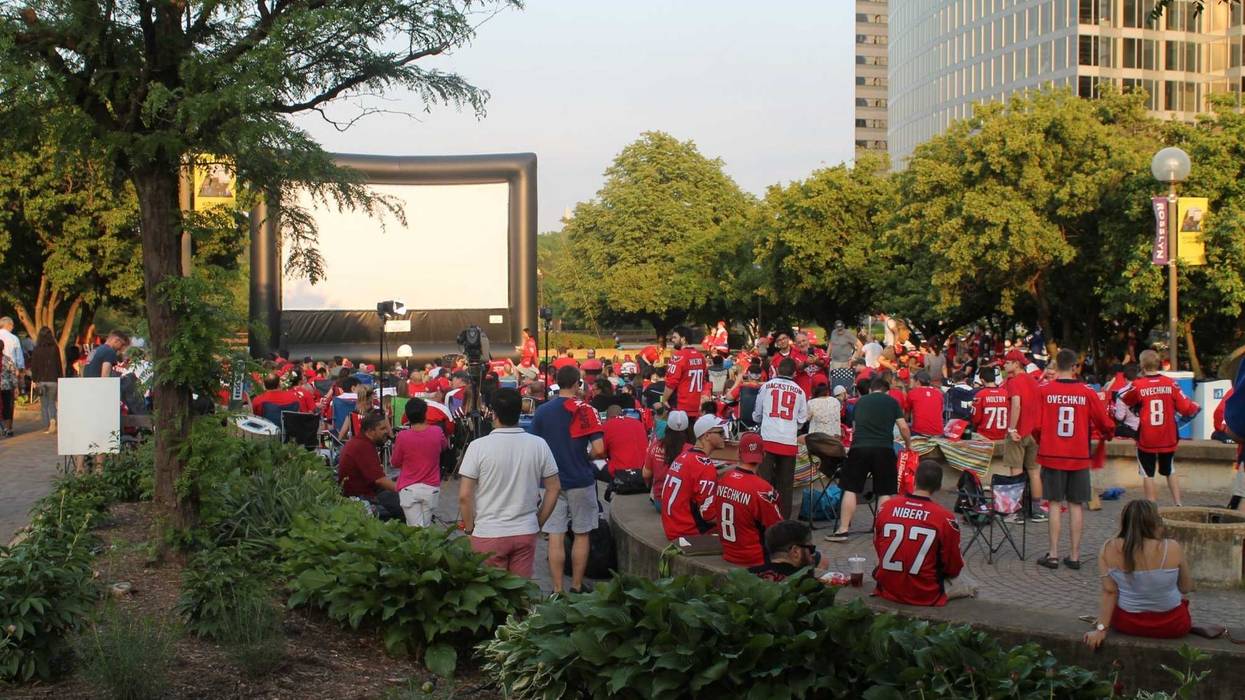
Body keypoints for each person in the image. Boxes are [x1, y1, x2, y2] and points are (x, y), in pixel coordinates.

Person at [459, 388, 561, 578]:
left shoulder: (477, 447)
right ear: (520, 412)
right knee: (520, 593)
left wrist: (469, 529)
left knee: (492, 596)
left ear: (493, 413)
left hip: (488, 532)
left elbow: (465, 496)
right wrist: (538, 521)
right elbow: (554, 488)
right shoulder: (539, 444)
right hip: (525, 531)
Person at [1036, 348, 1114, 570]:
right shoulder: (1086, 391)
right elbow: (1104, 421)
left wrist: (1043, 439)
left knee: (1053, 503)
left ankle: (1052, 554)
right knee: (1076, 504)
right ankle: (1075, 556)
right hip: (1078, 455)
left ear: (1056, 366)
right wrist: (1108, 433)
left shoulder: (1045, 390)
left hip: (1052, 454)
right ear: (1074, 367)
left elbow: (1035, 425)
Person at [531, 365, 605, 595]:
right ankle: (576, 585)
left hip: (550, 480)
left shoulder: (542, 411)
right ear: (577, 384)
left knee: (555, 534)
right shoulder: (587, 410)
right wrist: (587, 456)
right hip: (580, 478)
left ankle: (556, 589)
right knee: (582, 533)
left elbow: (534, 446)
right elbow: (600, 450)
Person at [1084, 500, 1192, 649]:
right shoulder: (1172, 547)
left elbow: (1109, 592)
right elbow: (1185, 588)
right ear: (1154, 521)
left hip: (1128, 623)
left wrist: (1100, 629)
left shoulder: (1108, 548)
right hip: (1173, 625)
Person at [827, 376, 913, 542]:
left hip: (859, 448)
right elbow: (903, 427)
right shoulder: (892, 402)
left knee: (851, 489)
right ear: (886, 391)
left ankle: (843, 530)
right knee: (884, 491)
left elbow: (855, 427)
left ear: (871, 389)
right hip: (884, 449)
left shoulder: (860, 402)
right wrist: (909, 445)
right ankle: (880, 530)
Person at [872, 459, 964, 606]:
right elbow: (953, 566)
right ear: (939, 486)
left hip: (888, 587)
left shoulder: (886, 507)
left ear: (915, 479)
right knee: (968, 583)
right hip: (925, 593)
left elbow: (878, 546)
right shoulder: (945, 518)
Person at [1120, 349, 1200, 507]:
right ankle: (1178, 504)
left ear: (1142, 365)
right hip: (1167, 435)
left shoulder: (1138, 385)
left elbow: (1127, 400)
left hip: (1147, 436)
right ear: (1158, 363)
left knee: (1147, 474)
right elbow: (1185, 407)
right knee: (1170, 469)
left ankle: (1152, 507)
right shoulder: (1171, 383)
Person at [705, 432, 784, 567]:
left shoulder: (724, 479)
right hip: (754, 559)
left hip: (729, 552)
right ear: (763, 456)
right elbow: (778, 530)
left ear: (738, 454)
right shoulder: (763, 489)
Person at [753, 357, 808, 517]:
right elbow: (801, 420)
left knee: (764, 481)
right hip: (788, 441)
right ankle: (783, 519)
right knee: (786, 485)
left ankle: (762, 516)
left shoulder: (767, 386)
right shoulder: (800, 391)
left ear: (777, 369)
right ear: (794, 373)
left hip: (768, 438)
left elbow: (757, 414)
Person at [659, 414, 726, 540]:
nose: (725, 436)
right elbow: (709, 515)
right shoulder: (704, 466)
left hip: (672, 526)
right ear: (706, 436)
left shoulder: (683, 456)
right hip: (688, 532)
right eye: (720, 433)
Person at [1003, 348, 1046, 522]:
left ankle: (1016, 511)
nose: (1004, 365)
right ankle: (1037, 510)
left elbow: (1016, 405)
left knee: (1016, 471)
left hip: (1019, 431)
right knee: (1034, 471)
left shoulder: (1014, 381)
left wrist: (1012, 429)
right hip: (1034, 432)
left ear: (1016, 363)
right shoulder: (1033, 380)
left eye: (1007, 362)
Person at [391, 398, 449, 527]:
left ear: (407, 415)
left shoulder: (402, 436)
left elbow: (395, 462)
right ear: (425, 413)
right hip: (431, 487)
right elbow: (444, 447)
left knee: (415, 530)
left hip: (409, 487)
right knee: (425, 527)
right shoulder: (437, 432)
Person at [337, 410, 402, 520]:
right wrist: (405, 491)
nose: (387, 431)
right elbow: (380, 480)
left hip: (361, 493)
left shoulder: (359, 442)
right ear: (370, 431)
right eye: (382, 429)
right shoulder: (363, 446)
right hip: (361, 499)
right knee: (405, 506)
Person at [643, 410, 690, 506]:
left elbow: (646, 474)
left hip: (660, 502)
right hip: (682, 505)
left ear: (667, 427)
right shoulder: (690, 450)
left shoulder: (656, 445)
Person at [749, 520, 820, 582]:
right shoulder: (805, 582)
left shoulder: (750, 573)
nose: (813, 555)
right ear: (796, 551)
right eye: (811, 549)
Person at [663, 325, 707, 419]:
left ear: (683, 339)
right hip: (696, 405)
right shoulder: (700, 356)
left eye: (675, 337)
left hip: (681, 407)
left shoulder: (678, 357)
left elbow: (671, 382)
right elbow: (704, 380)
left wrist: (664, 399)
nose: (672, 340)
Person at [29, 327, 63, 434]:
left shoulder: (37, 349)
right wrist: (60, 378)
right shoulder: (55, 348)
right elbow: (59, 365)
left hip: (41, 381)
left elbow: (34, 366)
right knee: (52, 402)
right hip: (53, 380)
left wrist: (34, 380)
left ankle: (47, 425)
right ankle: (53, 420)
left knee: (44, 404)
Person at [602, 403, 647, 478]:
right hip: (642, 472)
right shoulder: (639, 423)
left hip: (621, 474)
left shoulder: (607, 425)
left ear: (608, 417)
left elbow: (600, 453)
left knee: (594, 463)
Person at [970, 365, 1009, 441]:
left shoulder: (980, 395)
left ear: (982, 380)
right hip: (1003, 436)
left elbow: (975, 419)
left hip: (984, 436)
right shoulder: (1006, 393)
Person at [907, 370, 944, 436]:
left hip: (920, 432)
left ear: (917, 382)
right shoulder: (938, 393)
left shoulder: (912, 393)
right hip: (938, 431)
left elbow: (907, 414)